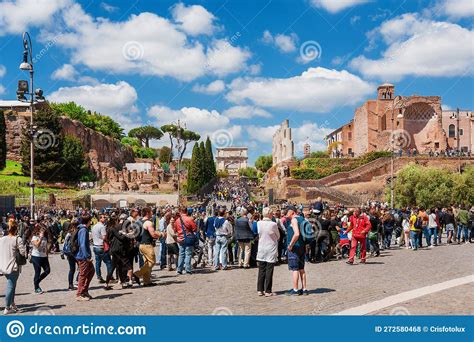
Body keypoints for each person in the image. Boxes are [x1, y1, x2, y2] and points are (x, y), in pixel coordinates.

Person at [0, 219, 26, 314]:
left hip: (3, 266)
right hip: (13, 266)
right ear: (16, 229)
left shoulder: (2, 239)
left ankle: (12, 303)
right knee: (11, 286)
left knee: (13, 285)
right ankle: (7, 307)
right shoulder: (17, 239)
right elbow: (23, 253)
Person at [133, 207, 164, 286]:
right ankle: (137, 274)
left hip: (140, 244)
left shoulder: (138, 221)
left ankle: (147, 281)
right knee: (152, 262)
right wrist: (161, 234)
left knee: (146, 263)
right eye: (151, 212)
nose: (152, 213)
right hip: (147, 245)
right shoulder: (148, 223)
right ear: (147, 213)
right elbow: (153, 234)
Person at [285, 205, 308, 295]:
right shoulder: (302, 219)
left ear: (292, 212)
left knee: (295, 269)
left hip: (295, 247)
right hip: (302, 247)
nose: (286, 216)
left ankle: (295, 289)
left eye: (287, 213)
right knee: (302, 269)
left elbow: (297, 234)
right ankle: (304, 288)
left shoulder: (294, 220)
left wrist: (290, 245)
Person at [256, 207, 279, 297]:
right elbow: (278, 235)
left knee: (261, 270)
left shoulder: (259, 223)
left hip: (262, 247)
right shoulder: (273, 224)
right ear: (269, 214)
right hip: (270, 248)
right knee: (269, 270)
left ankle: (260, 289)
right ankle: (268, 290)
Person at [105, 215, 133, 289]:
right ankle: (127, 281)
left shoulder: (110, 228)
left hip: (114, 249)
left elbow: (109, 239)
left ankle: (111, 283)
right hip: (119, 249)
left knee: (117, 266)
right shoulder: (114, 228)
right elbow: (120, 237)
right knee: (127, 266)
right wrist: (126, 234)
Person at [75, 215, 95, 301]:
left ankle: (84, 290)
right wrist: (87, 257)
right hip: (83, 256)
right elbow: (82, 244)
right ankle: (79, 294)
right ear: (89, 221)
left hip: (84, 256)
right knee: (82, 275)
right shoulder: (83, 230)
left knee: (91, 271)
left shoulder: (83, 229)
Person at [174, 206, 198, 275]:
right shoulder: (189, 219)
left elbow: (175, 230)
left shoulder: (177, 220)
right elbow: (195, 229)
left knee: (181, 254)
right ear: (186, 211)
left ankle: (179, 269)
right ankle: (188, 269)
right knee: (188, 254)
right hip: (188, 238)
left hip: (180, 239)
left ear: (180, 211)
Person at [91, 214, 113, 283]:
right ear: (100, 219)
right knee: (108, 262)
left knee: (98, 263)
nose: (105, 218)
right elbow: (104, 237)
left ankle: (99, 277)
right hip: (101, 247)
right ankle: (110, 277)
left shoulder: (94, 226)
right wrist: (108, 241)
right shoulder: (102, 226)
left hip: (95, 246)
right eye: (104, 217)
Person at [31, 225, 51, 294]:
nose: (43, 232)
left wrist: (47, 255)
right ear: (38, 231)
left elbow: (45, 247)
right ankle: (36, 288)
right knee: (37, 272)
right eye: (42, 230)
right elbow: (37, 245)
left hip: (44, 257)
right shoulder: (34, 237)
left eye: (44, 230)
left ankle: (36, 281)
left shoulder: (45, 237)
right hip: (36, 257)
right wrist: (41, 238)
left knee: (48, 270)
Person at [61, 219, 79, 290]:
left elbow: (64, 243)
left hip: (69, 253)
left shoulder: (68, 233)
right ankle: (78, 281)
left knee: (72, 269)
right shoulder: (76, 232)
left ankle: (70, 285)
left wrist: (62, 252)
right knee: (82, 267)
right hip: (75, 253)